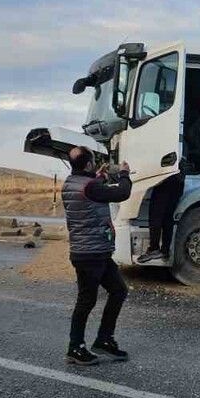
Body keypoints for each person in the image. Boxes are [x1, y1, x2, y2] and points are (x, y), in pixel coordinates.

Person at [63, 146, 133, 366]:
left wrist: (98, 176)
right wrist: (124, 175)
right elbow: (122, 193)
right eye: (93, 162)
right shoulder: (91, 186)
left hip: (93, 252)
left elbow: (91, 190)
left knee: (119, 290)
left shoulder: (71, 183)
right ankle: (75, 348)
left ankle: (103, 340)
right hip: (90, 253)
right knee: (86, 300)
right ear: (88, 164)